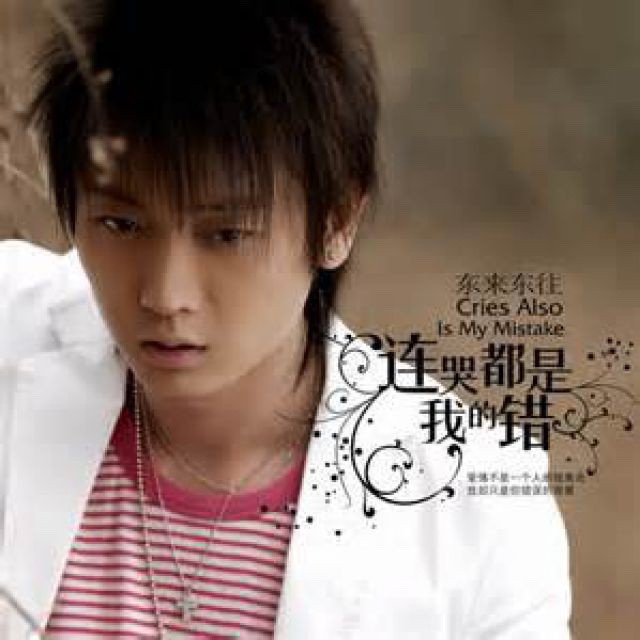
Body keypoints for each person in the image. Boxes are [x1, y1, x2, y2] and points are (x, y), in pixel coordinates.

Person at [0, 1, 572, 638]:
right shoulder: (9, 338)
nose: (166, 295)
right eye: (122, 224)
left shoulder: (476, 508)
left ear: (336, 222)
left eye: (226, 235)